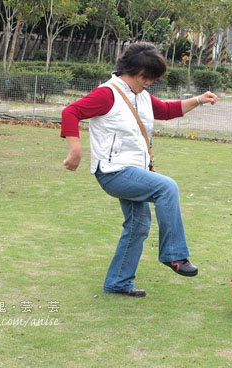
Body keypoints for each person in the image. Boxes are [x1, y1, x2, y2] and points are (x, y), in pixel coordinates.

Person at [61, 43, 218, 297]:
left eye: (152, 78)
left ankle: (118, 283)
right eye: (145, 77)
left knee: (138, 225)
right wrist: (76, 150)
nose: (148, 83)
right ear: (130, 70)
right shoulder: (108, 94)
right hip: (113, 172)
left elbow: (166, 111)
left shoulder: (141, 95)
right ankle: (174, 255)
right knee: (166, 186)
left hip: (135, 171)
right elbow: (71, 112)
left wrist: (199, 100)